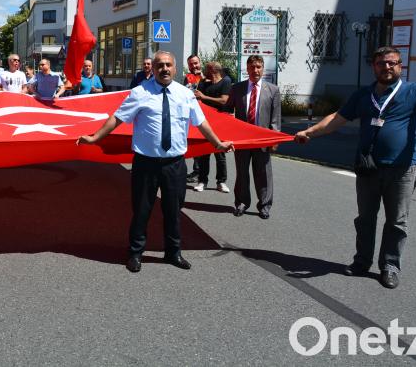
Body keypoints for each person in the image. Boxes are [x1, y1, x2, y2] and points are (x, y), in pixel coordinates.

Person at [77, 51, 235, 273]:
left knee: (174, 211)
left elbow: (201, 123)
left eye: (168, 65)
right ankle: (135, 253)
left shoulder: (185, 94)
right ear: (155, 68)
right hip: (146, 164)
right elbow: (117, 118)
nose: (164, 69)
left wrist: (217, 143)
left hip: (175, 164)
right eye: (160, 65)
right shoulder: (139, 92)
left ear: (175, 67)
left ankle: (173, 252)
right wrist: (95, 137)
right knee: (142, 210)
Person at [294, 46, 416, 289]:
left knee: (397, 222)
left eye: (392, 63)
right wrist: (310, 132)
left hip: (402, 170)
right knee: (365, 218)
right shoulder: (363, 95)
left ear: (400, 65)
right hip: (368, 168)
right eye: (381, 63)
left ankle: (389, 266)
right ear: (374, 67)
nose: (386, 67)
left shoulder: (415, 92)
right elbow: (337, 118)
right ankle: (362, 261)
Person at [224, 55, 281, 219]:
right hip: (242, 140)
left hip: (262, 140)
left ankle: (264, 205)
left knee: (263, 173)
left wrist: (275, 140)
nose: (255, 70)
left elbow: (275, 119)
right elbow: (228, 111)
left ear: (263, 68)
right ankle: (241, 203)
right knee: (242, 173)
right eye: (252, 67)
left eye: (258, 67)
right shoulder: (237, 88)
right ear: (247, 69)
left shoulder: (273, 90)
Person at [192, 62, 233, 193]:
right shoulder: (204, 83)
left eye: (207, 68)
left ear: (213, 70)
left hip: (220, 123)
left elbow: (224, 100)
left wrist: (204, 97)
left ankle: (221, 182)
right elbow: (198, 99)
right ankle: (202, 181)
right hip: (206, 122)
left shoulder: (226, 81)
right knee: (204, 153)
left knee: (220, 153)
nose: (204, 69)